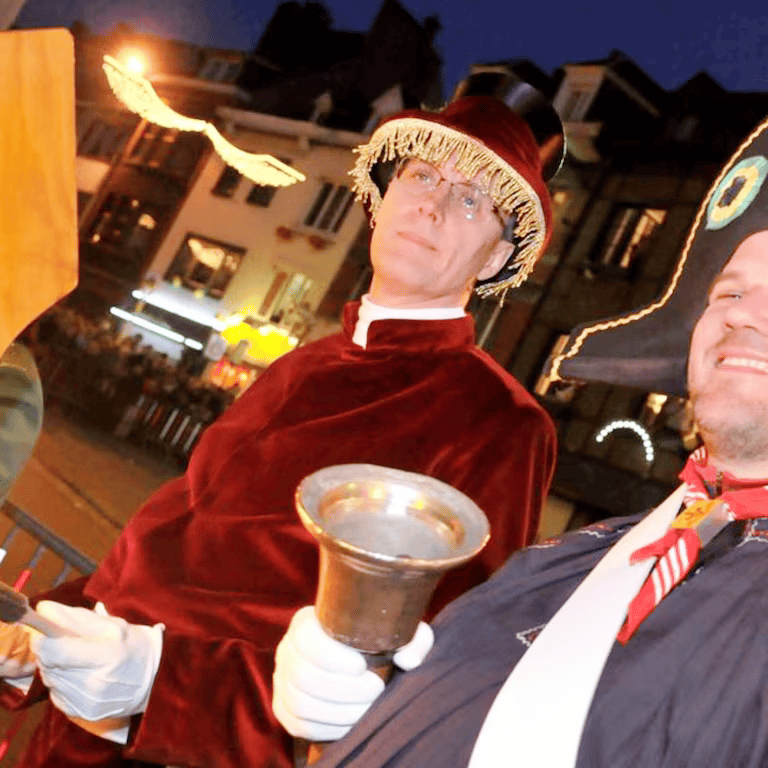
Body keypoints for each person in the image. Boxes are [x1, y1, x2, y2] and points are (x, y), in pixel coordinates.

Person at [0, 89, 562, 767]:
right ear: (383, 197)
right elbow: (167, 555)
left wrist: (160, 686)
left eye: (472, 199)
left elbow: (430, 685)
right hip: (68, 739)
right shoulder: (302, 363)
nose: (432, 205)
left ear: (498, 257)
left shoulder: (500, 420)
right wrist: (37, 638)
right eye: (421, 174)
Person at [272, 115, 768, 767]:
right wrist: (347, 699)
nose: (741, 312)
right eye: (728, 291)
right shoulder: (564, 559)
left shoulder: (502, 425)